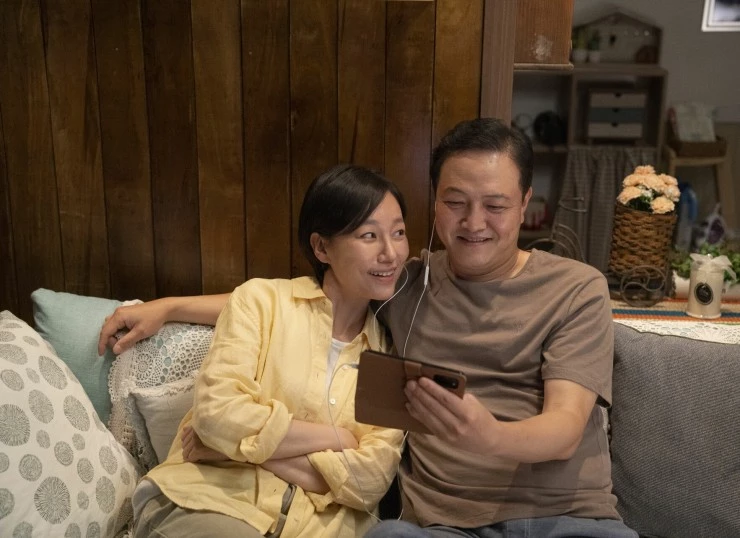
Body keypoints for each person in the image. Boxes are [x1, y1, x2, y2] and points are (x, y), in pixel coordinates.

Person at [101, 119, 637, 538]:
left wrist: (487, 435)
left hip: (566, 518)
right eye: (455, 203)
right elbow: (294, 299)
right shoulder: (408, 285)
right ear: (436, 202)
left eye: (495, 205)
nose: (474, 223)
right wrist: (167, 307)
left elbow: (565, 427)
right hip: (443, 526)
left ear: (524, 204)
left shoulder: (575, 288)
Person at [123, 164, 409, 538]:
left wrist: (233, 449)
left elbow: (369, 481)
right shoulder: (260, 301)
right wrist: (337, 438)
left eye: (399, 233)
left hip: (319, 529)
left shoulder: (390, 356)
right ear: (321, 247)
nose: (391, 253)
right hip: (213, 502)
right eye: (369, 235)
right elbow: (217, 416)